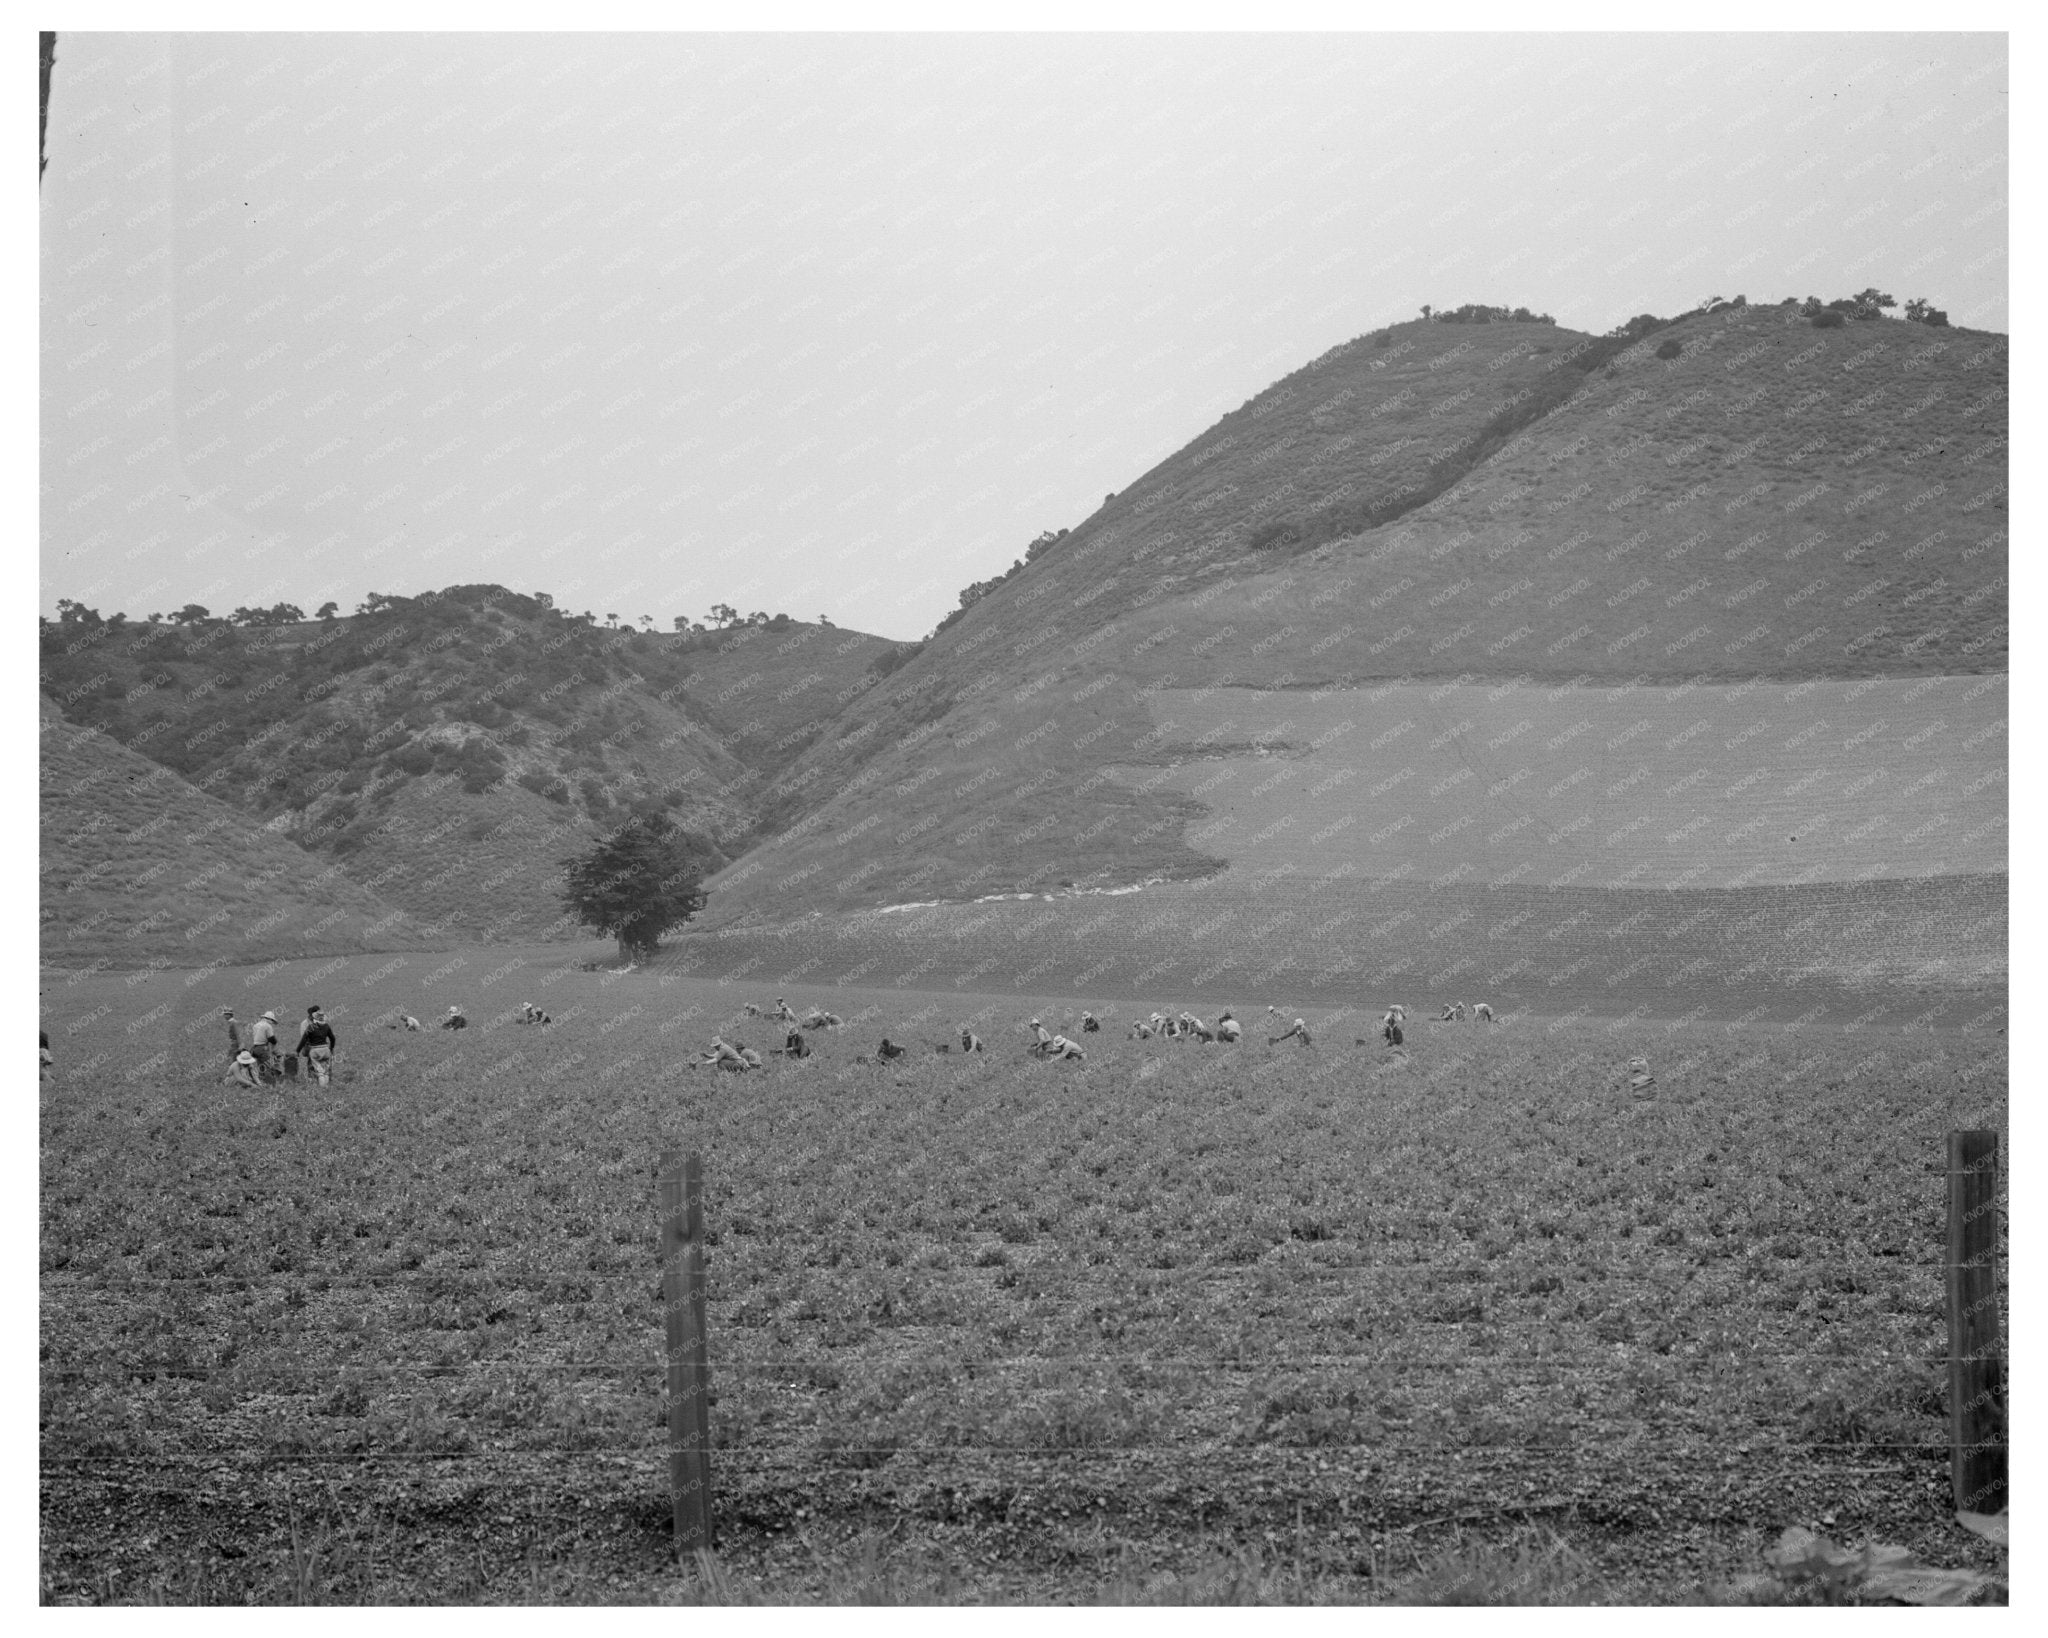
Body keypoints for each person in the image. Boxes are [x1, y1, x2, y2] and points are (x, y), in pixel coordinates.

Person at [298, 1008, 338, 1086]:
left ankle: (318, 1083)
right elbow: (332, 1038)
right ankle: (324, 1083)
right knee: (325, 1069)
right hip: (322, 1048)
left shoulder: (310, 1025)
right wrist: (331, 1048)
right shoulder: (325, 1025)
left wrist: (298, 1050)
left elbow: (303, 1038)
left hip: (314, 1049)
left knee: (317, 1068)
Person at [249, 1010, 281, 1080]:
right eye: (272, 1021)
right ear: (269, 1019)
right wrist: (276, 1043)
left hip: (255, 1049)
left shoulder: (255, 1025)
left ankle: (261, 1081)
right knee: (270, 1067)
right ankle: (273, 1081)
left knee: (261, 1067)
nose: (272, 1023)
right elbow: (272, 1039)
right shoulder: (267, 1026)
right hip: (263, 1049)